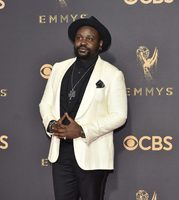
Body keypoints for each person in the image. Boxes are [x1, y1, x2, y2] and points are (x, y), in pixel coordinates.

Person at [39, 16, 127, 200]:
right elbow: (45, 103)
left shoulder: (112, 74)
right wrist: (51, 124)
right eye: (79, 37)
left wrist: (82, 131)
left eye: (89, 38)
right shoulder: (59, 68)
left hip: (92, 155)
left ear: (100, 44)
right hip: (60, 155)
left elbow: (119, 115)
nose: (83, 42)